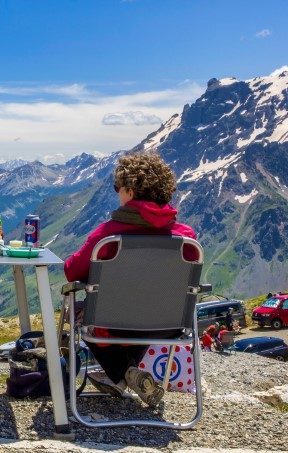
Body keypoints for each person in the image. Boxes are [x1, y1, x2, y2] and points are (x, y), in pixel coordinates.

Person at [63, 152, 198, 407]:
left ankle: (123, 374)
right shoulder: (185, 237)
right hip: (168, 324)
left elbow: (72, 272)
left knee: (80, 310)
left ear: (130, 192)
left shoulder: (108, 234)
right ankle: (128, 374)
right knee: (150, 310)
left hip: (110, 322)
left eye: (118, 188)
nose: (118, 194)